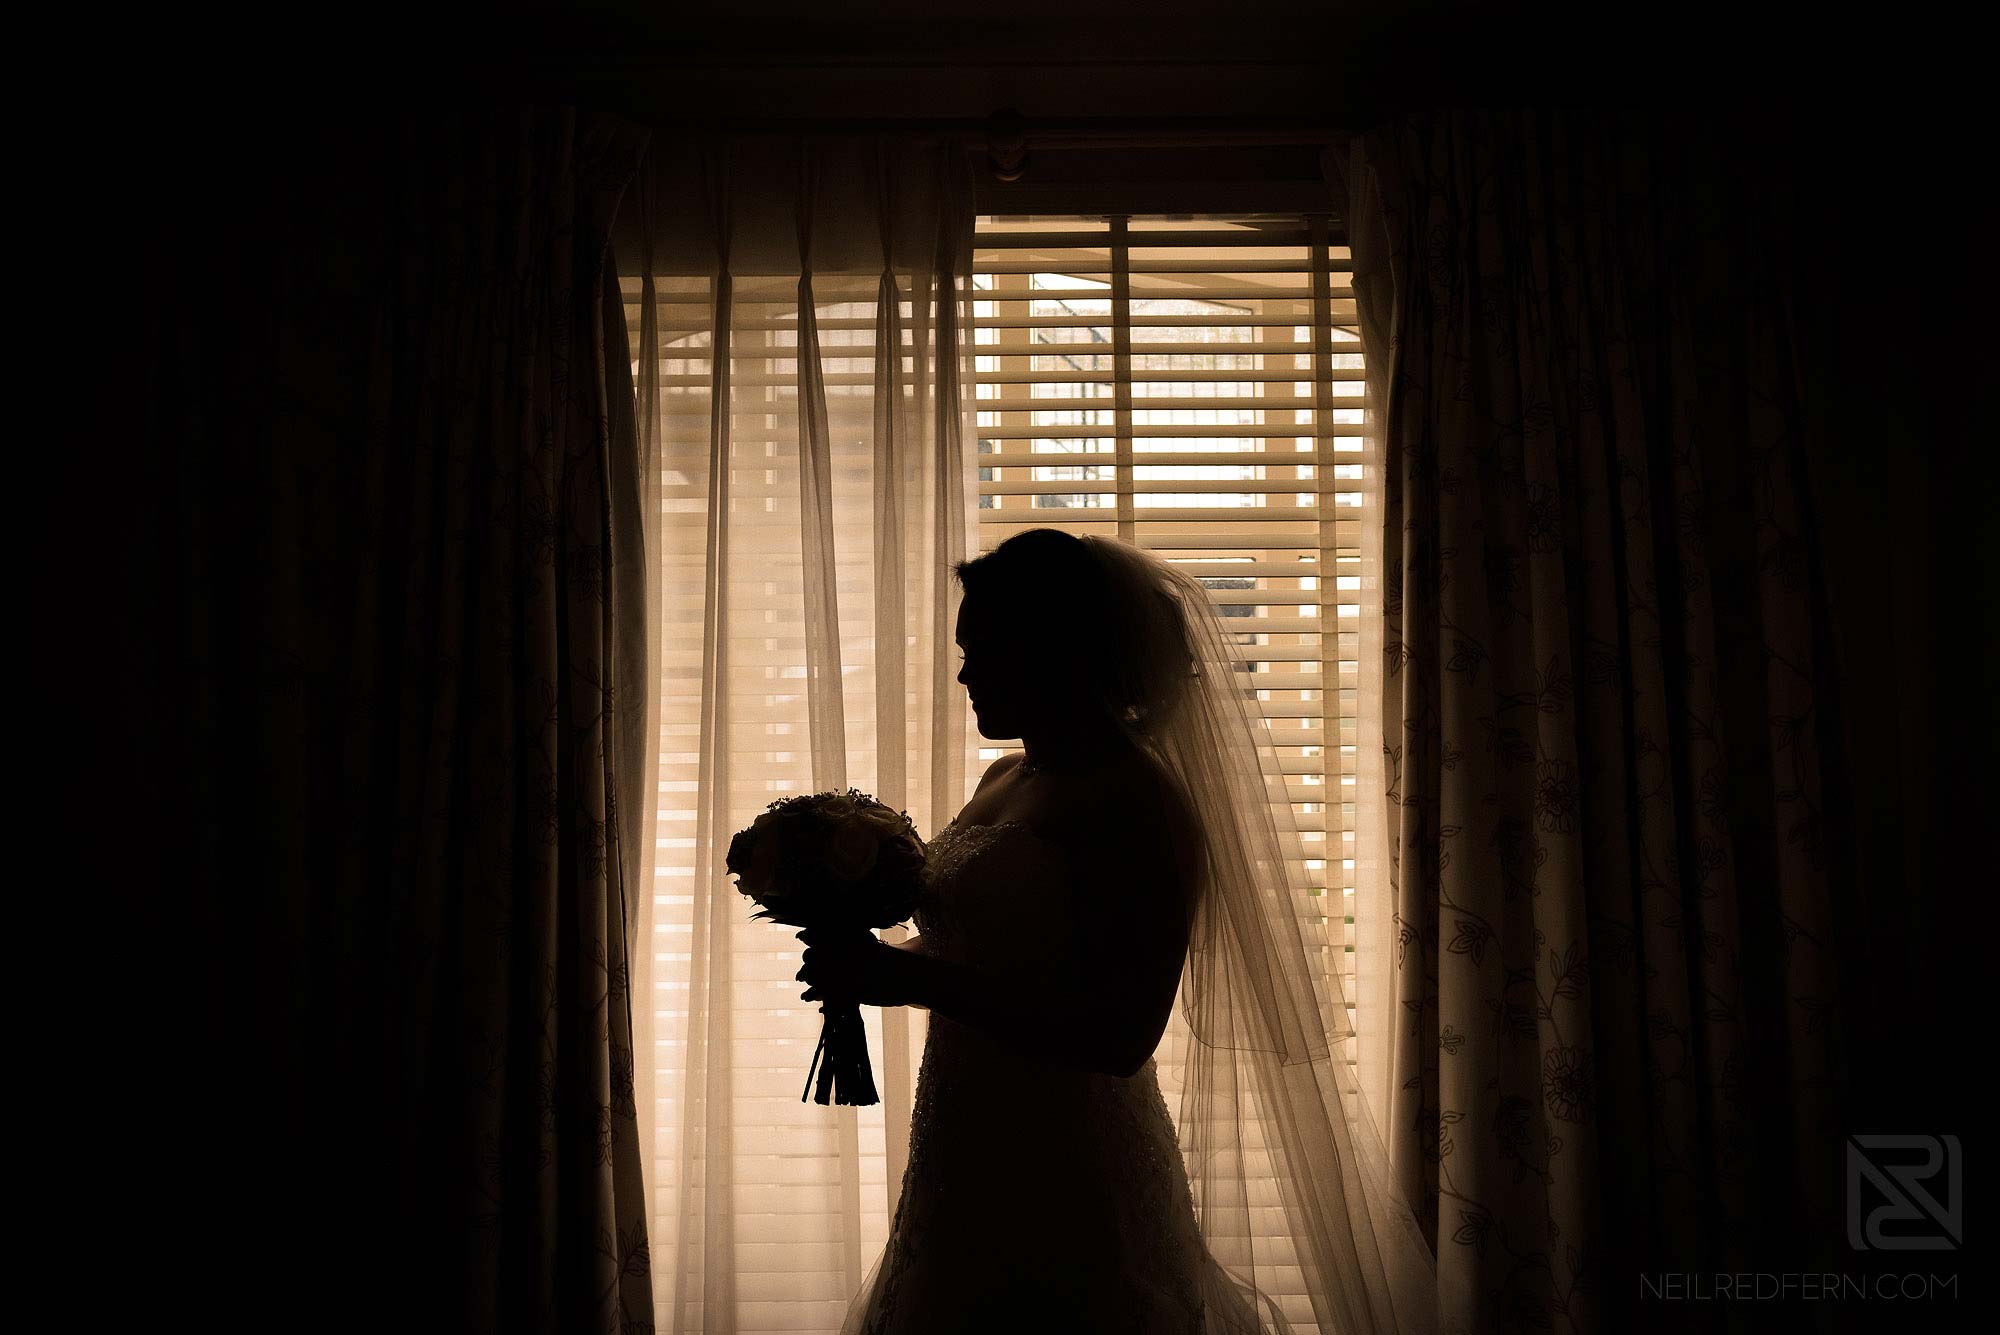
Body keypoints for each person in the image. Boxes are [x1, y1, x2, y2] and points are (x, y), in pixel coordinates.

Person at [797, 529, 1436, 1335]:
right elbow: (987, 946)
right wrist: (878, 962)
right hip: (966, 1137)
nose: (963, 672)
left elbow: (1121, 1030)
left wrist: (908, 980)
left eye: (986, 648)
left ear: (1056, 648)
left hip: (1072, 1156)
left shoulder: (1140, 802)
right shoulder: (1005, 776)